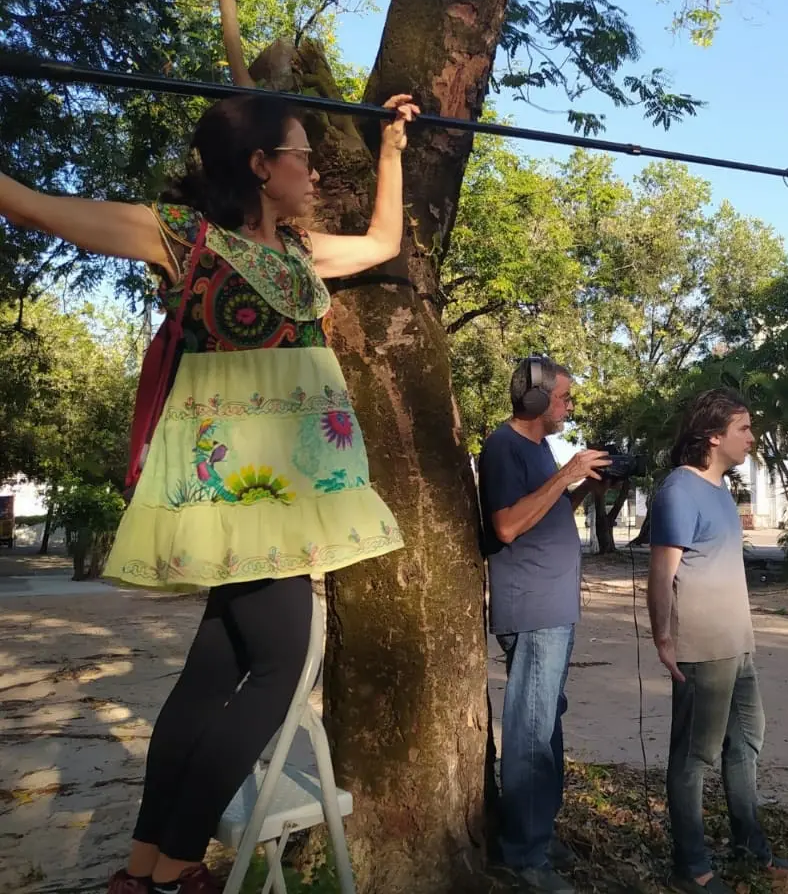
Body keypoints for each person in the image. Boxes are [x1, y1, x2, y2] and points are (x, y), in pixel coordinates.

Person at [0, 90, 419, 894]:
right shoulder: (182, 236)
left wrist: (393, 150)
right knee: (279, 664)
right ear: (262, 167)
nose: (314, 167)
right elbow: (33, 209)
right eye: (301, 153)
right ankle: (183, 863)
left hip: (296, 487)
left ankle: (143, 869)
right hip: (236, 491)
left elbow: (382, 240)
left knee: (210, 675)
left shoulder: (297, 253)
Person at [646, 388, 788, 894]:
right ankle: (691, 868)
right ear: (714, 437)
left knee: (745, 745)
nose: (752, 437)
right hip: (702, 648)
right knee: (693, 759)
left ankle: (750, 848)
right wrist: (665, 640)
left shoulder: (720, 489)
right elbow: (660, 575)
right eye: (744, 428)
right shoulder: (679, 490)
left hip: (739, 646)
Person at [478, 355, 612, 894]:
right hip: (532, 611)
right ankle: (523, 855)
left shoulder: (540, 448)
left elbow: (543, 510)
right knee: (531, 731)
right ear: (535, 400)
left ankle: (540, 831)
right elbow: (507, 525)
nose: (569, 407)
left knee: (548, 722)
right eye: (564, 398)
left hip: (555, 609)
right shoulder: (504, 447)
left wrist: (584, 488)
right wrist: (566, 473)